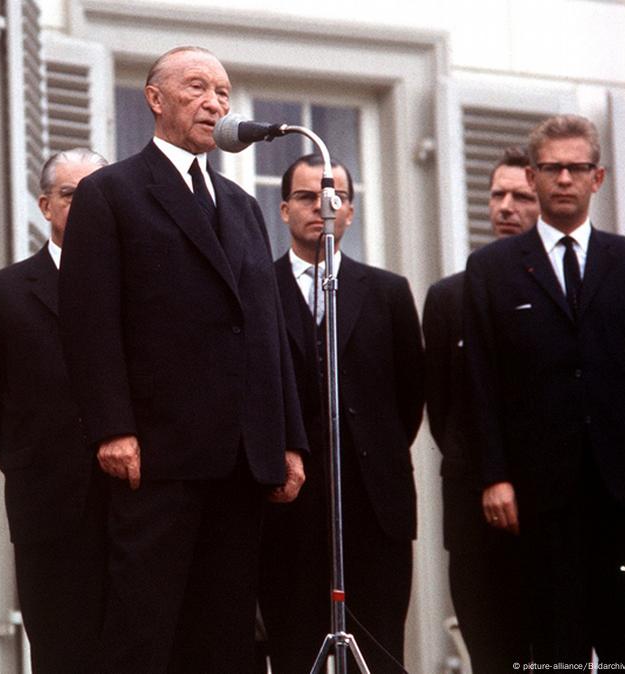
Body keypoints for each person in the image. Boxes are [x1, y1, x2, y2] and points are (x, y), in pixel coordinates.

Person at [57, 46, 307, 672]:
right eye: (198, 88)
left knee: (223, 636)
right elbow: (90, 323)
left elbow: (267, 332)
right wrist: (113, 428)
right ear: (155, 98)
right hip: (157, 454)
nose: (215, 104)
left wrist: (288, 441)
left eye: (223, 93)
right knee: (143, 630)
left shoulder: (244, 206)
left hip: (239, 458)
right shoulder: (111, 193)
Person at [464, 114, 625, 665]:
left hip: (620, 489)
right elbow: (480, 382)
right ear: (532, 177)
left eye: (576, 168)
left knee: (623, 639)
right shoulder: (492, 269)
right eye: (552, 168)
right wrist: (495, 476)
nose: (564, 179)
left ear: (598, 178)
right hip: (537, 495)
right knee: (554, 643)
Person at [258, 154, 424, 673]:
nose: (321, 207)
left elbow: (409, 396)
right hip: (288, 508)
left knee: (378, 651)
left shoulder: (388, 292)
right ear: (283, 210)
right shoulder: (256, 291)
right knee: (292, 648)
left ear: (350, 210)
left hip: (374, 506)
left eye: (335, 197)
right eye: (306, 197)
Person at [0, 147, 110, 671]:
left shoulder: (142, 287)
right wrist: (36, 459)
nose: (85, 206)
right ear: (46, 206)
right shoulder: (2, 295)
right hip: (47, 508)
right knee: (61, 652)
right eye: (72, 195)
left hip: (138, 507)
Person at [423, 147, 537, 670]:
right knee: (491, 657)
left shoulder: (567, 293)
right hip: (474, 514)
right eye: (498, 195)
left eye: (522, 197)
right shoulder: (449, 298)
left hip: (550, 511)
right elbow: (441, 407)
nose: (506, 207)